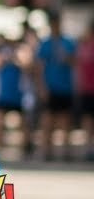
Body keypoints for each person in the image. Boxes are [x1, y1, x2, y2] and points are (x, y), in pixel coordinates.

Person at [35, 11, 77, 161]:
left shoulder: (68, 42)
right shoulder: (45, 44)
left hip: (65, 86)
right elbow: (39, 67)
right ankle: (47, 151)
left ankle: (66, 151)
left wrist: (67, 58)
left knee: (65, 120)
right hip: (50, 87)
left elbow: (75, 63)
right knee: (47, 120)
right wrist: (42, 87)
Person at [74, 17, 94, 161]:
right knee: (87, 119)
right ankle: (88, 147)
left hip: (87, 89)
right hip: (86, 90)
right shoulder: (83, 47)